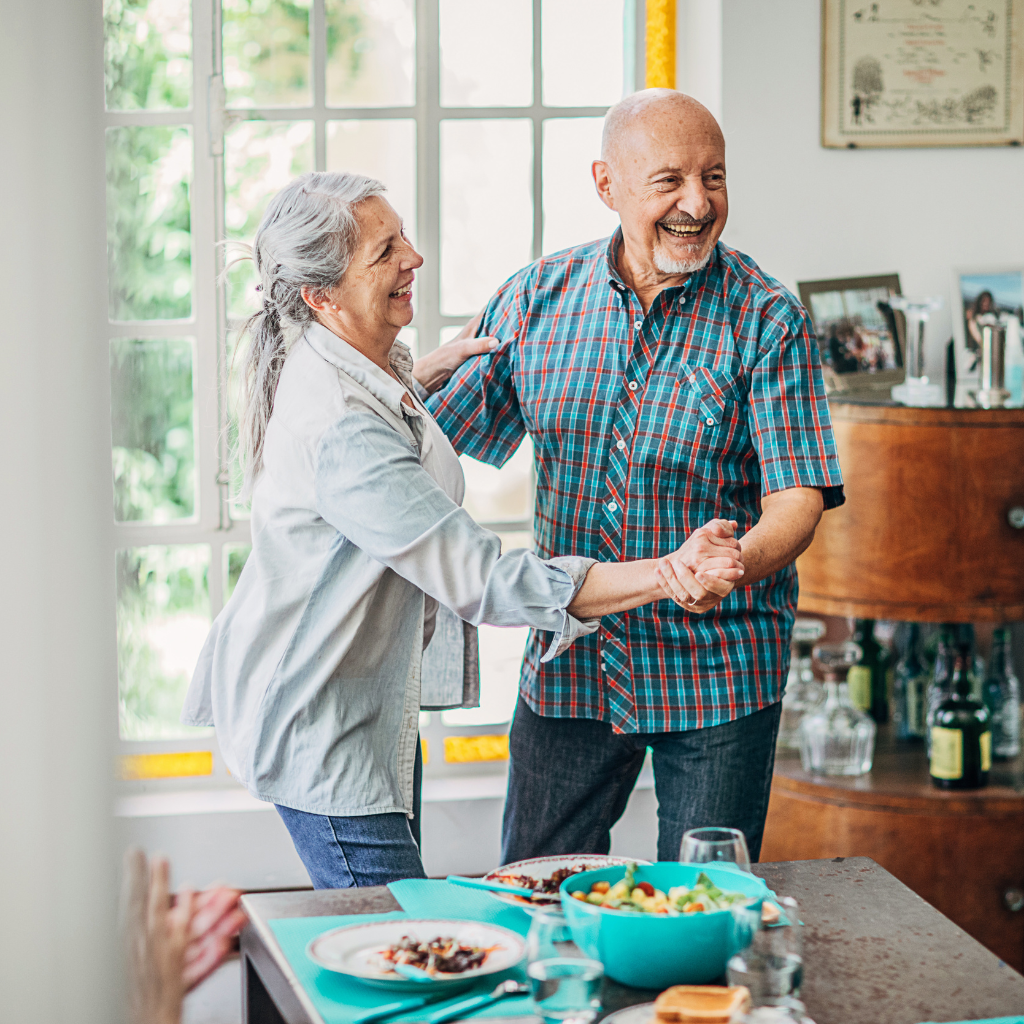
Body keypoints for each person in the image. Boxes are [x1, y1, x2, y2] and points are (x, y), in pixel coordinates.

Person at [181, 171, 745, 889]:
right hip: (320, 731)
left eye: (403, 237)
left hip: (364, 712)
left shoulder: (356, 372)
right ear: (323, 298)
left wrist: (415, 382)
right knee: (402, 958)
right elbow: (484, 582)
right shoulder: (345, 426)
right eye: (386, 251)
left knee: (403, 939)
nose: (414, 258)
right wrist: (667, 571)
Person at [424, 90, 845, 865]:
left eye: (714, 177)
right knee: (533, 892)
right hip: (573, 661)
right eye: (669, 180)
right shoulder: (533, 300)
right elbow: (427, 447)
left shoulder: (767, 317)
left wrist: (729, 564)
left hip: (720, 670)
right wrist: (379, 384)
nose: (698, 202)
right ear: (606, 184)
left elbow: (798, 500)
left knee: (704, 909)